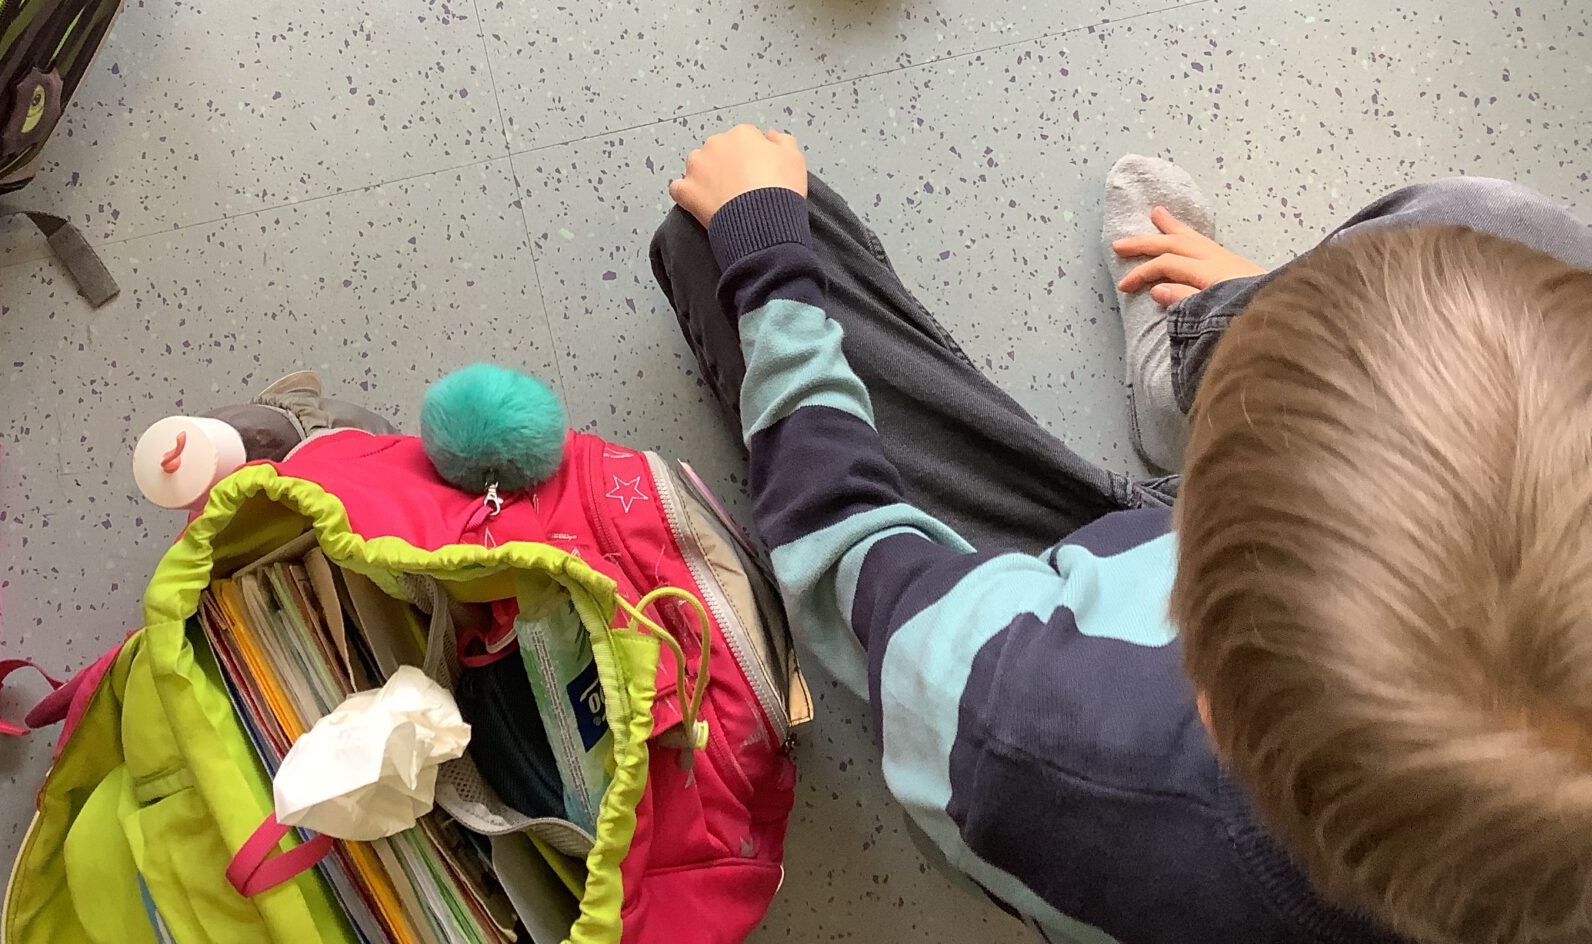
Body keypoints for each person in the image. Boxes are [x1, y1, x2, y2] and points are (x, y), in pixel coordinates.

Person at [651, 125, 1592, 944]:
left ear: (1212, 695)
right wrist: (1276, 315)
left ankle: (1216, 357)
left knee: (721, 242)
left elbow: (846, 558)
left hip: (1050, 651)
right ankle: (1209, 352)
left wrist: (768, 262)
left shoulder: (1031, 735)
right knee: (1498, 244)